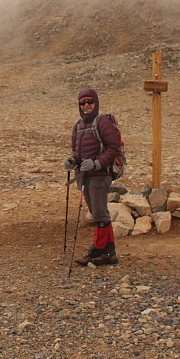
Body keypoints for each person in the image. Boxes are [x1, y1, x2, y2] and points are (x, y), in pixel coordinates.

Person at [64, 88, 122, 266]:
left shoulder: (103, 123)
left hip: (100, 175)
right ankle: (109, 252)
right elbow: (77, 150)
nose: (87, 106)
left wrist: (97, 164)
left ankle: (98, 249)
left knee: (99, 213)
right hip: (86, 176)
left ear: (96, 103)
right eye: (83, 103)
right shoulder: (78, 126)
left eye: (90, 102)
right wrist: (73, 160)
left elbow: (114, 148)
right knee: (98, 211)